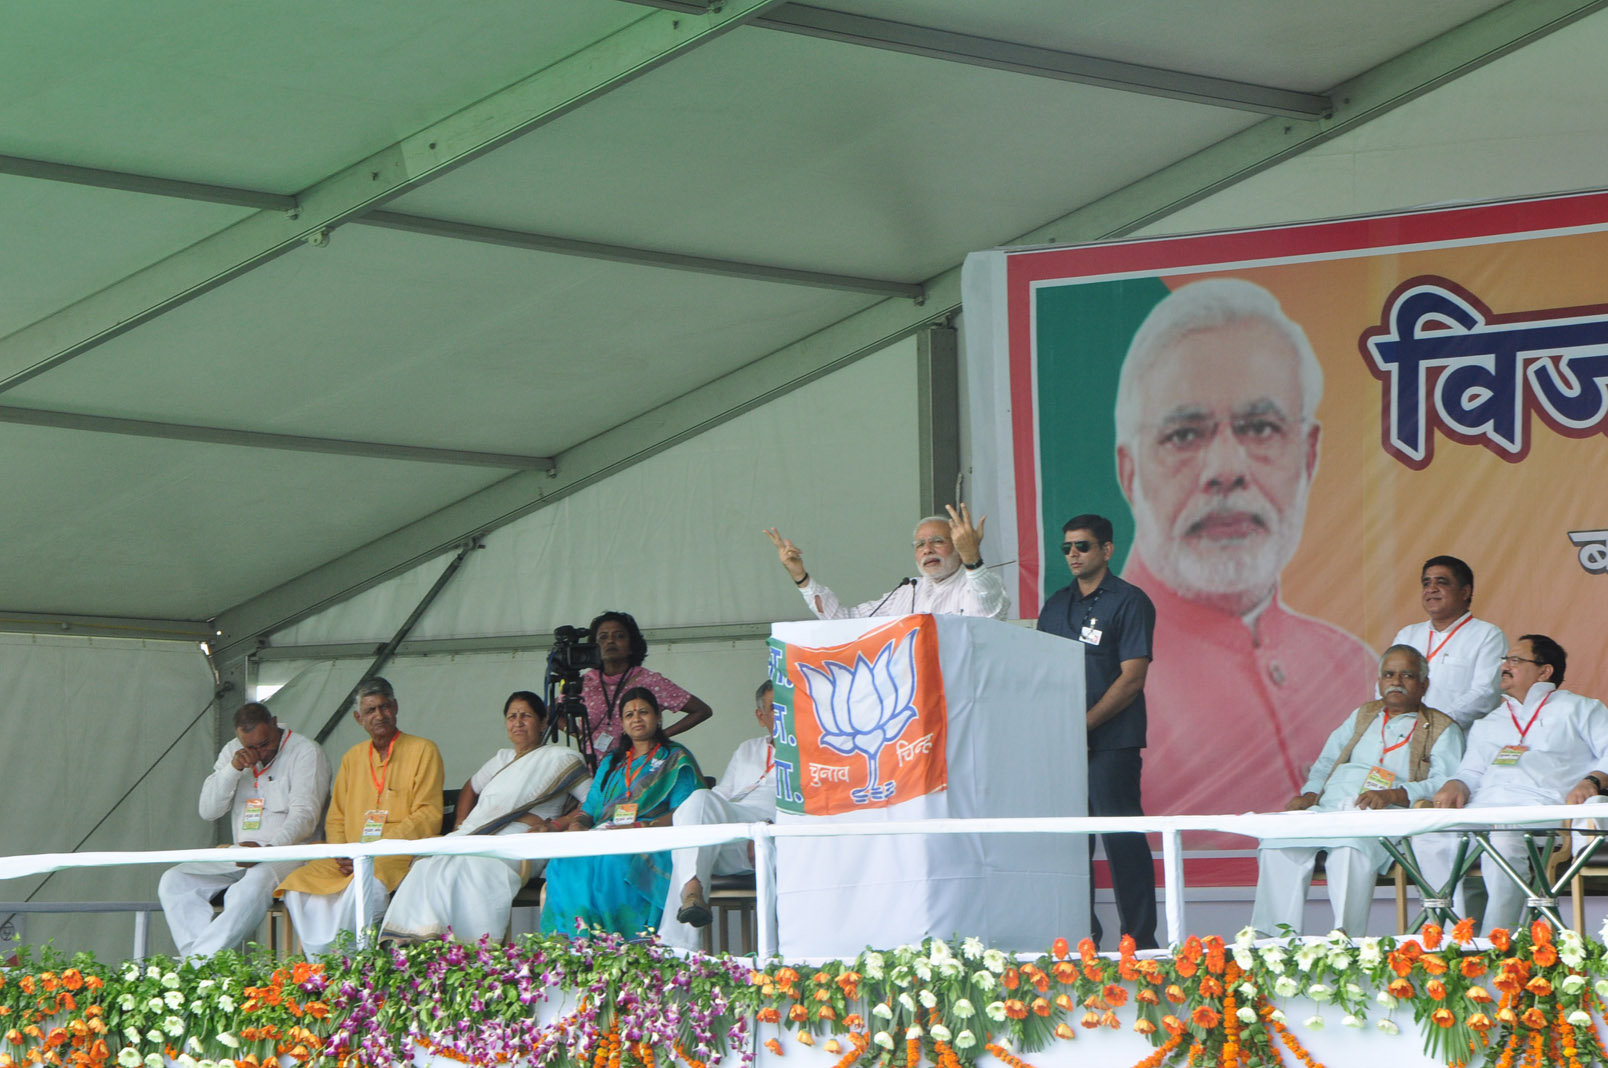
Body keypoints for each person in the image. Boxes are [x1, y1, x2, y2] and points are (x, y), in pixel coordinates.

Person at [1114, 277, 1377, 821]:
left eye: (1261, 428)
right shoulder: (1098, 667)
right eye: (1184, 435)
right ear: (1129, 471)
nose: (1226, 470)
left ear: (1307, 456)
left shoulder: (1353, 669)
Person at [1251, 646, 1463, 935]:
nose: (1396, 681)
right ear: (1378, 683)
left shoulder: (1442, 727)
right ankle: (1273, 942)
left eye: (1407, 675)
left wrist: (1395, 794)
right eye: (1388, 674)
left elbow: (1446, 782)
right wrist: (1311, 793)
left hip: (1382, 815)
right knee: (1279, 842)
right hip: (1329, 808)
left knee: (1349, 847)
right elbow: (1327, 760)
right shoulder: (1364, 715)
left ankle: (1346, 943)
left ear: (1424, 685)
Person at [1420, 635, 1608, 932]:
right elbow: (1471, 772)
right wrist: (1457, 782)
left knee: (1504, 836)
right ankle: (1452, 932)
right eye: (1505, 660)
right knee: (1427, 835)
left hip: (1539, 811)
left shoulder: (1579, 708)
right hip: (1483, 809)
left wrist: (1592, 780)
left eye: (1515, 661)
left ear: (1544, 671)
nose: (1505, 666)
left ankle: (1498, 941)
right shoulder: (1490, 721)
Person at [380, 692, 591, 943]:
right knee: (427, 865)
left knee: (472, 867)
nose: (518, 722)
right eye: (512, 716)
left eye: (526, 715)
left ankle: (469, 947)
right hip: (476, 834)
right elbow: (471, 787)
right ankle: (420, 941)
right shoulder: (501, 758)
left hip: (522, 840)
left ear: (543, 722)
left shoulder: (562, 758)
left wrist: (559, 824)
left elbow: (593, 802)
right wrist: (461, 824)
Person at [1036, 513, 1157, 949]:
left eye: (1082, 546)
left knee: (1123, 840)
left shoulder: (1129, 601)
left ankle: (1141, 940)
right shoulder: (1055, 603)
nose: (1072, 554)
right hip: (1063, 747)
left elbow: (1132, 678)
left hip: (1112, 743)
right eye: (1066, 547)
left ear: (1106, 549)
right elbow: (1040, 672)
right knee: (1071, 847)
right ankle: (1082, 938)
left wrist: (1081, 726)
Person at [276, 677, 444, 956]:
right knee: (298, 884)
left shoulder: (423, 750)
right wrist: (345, 851)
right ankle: (320, 961)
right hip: (348, 858)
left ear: (396, 707)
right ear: (358, 718)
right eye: (370, 711)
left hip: (394, 856)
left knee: (366, 887)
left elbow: (428, 813)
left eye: (384, 707)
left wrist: (378, 849)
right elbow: (336, 816)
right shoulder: (352, 758)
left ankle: (351, 962)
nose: (379, 715)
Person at [158, 703, 332, 958]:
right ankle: (196, 958)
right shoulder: (232, 751)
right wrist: (232, 770)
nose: (258, 753)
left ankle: (198, 966)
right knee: (174, 881)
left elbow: (305, 817)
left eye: (264, 744)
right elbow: (208, 811)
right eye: (250, 747)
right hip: (241, 854)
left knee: (249, 887)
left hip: (290, 853)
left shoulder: (305, 752)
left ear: (274, 723)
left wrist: (267, 851)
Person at [540, 687, 705, 937]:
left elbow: (684, 812)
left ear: (658, 717)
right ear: (622, 723)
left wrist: (640, 828)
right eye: (629, 715)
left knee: (612, 862)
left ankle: (621, 943)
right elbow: (589, 810)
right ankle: (576, 944)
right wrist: (578, 824)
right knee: (564, 861)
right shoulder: (611, 763)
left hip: (651, 838)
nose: (636, 719)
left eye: (643, 712)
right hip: (605, 835)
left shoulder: (675, 757)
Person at [659, 679, 778, 949]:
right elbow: (720, 797)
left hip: (772, 835)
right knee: (699, 798)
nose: (782, 714)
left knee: (687, 848)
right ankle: (692, 893)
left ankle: (677, 949)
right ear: (761, 717)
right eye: (774, 708)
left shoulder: (811, 753)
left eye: (788, 707)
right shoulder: (748, 748)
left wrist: (767, 831)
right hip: (735, 829)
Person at [765, 503, 1010, 621]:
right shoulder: (907, 590)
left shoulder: (980, 584)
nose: (927, 550)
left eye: (937, 541)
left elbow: (987, 614)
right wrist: (802, 577)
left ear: (958, 546)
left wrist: (972, 559)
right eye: (920, 544)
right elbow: (845, 621)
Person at [1388, 555, 1506, 728]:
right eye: (1426, 583)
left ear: (1465, 592)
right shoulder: (1408, 635)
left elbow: (1485, 695)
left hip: (1456, 741)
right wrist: (1401, 722)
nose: (1431, 589)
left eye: (1441, 582)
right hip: (1403, 735)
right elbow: (1386, 683)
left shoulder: (1488, 635)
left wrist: (1431, 726)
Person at [577, 611, 712, 757]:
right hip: (592, 771)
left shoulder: (650, 681)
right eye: (603, 637)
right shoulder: (586, 682)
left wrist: (661, 737)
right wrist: (577, 734)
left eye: (619, 636)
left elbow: (701, 710)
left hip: (639, 767)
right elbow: (553, 713)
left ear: (632, 645)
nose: (610, 641)